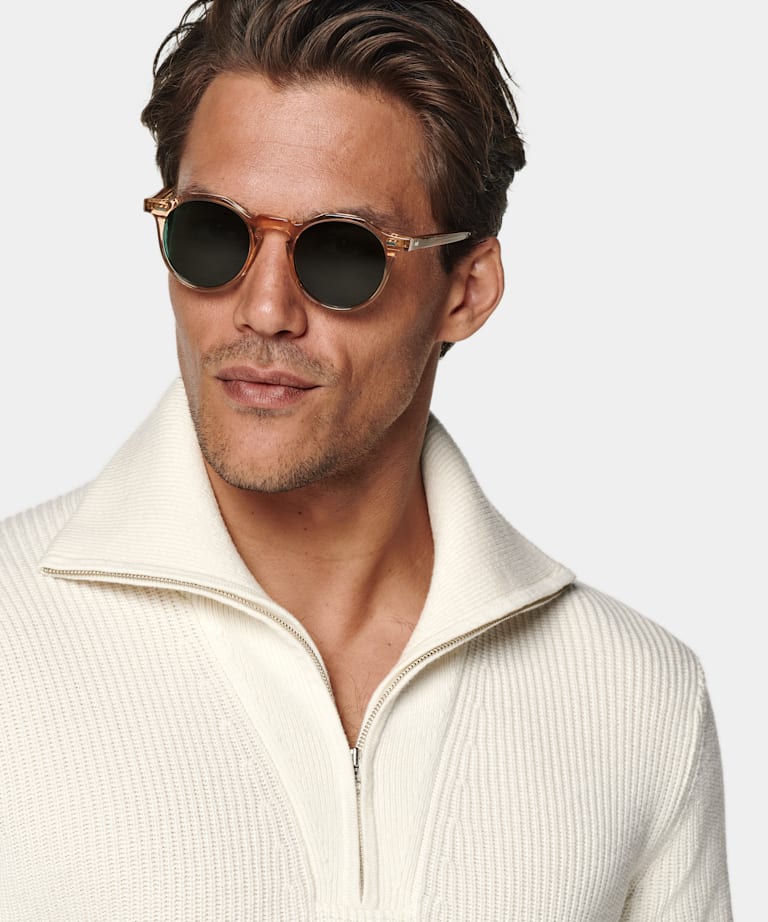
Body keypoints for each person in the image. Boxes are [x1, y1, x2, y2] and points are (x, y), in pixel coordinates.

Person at [0, 0, 733, 919]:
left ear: (466, 291)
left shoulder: (638, 699)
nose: (264, 311)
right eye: (213, 234)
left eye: (342, 253)